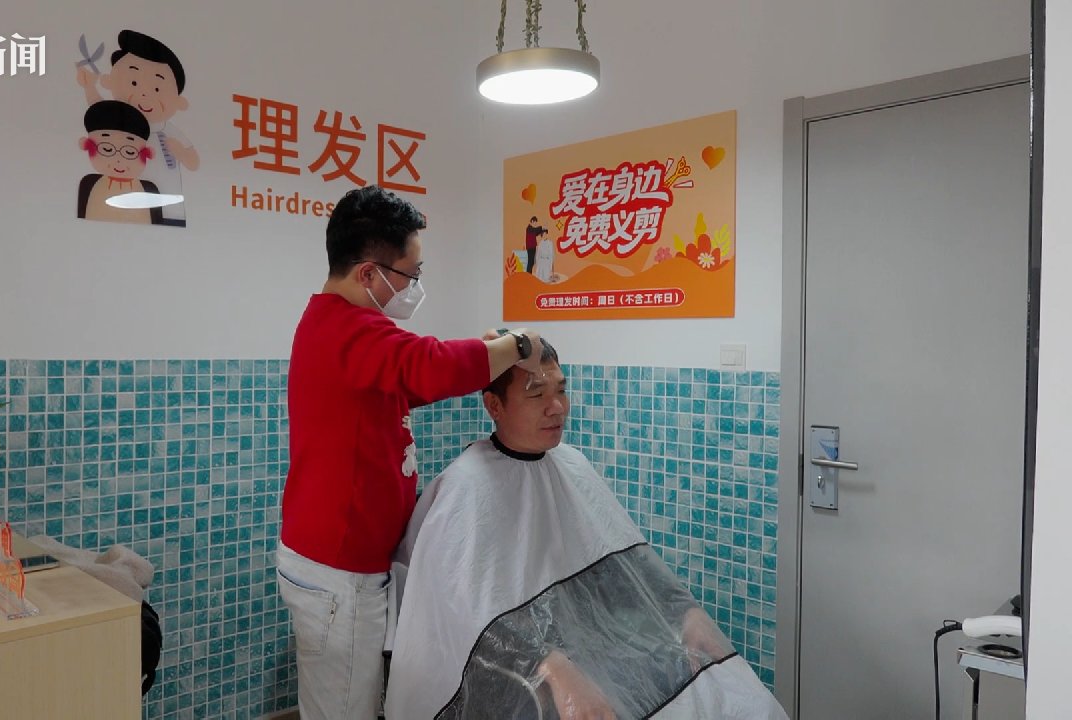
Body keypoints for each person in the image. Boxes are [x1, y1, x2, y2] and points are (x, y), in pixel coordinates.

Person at [385, 338, 789, 719]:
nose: (557, 407)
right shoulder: (465, 487)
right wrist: (548, 665)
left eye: (561, 390)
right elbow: (464, 614)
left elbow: (619, 566)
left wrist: (684, 612)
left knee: (745, 701)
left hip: (585, 651)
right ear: (494, 405)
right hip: (506, 677)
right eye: (536, 395)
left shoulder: (571, 464)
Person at [279, 185, 546, 720]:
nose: (414, 286)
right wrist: (517, 346)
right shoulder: (349, 329)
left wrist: (486, 358)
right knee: (343, 710)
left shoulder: (337, 326)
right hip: (339, 570)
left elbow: (406, 383)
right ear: (369, 273)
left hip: (335, 559)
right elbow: (428, 365)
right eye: (411, 273)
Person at [78, 30, 198, 227]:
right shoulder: (120, 123)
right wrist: (89, 87)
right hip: (125, 205)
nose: (144, 95)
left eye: (157, 89)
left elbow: (193, 163)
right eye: (134, 82)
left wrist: (181, 153)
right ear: (109, 81)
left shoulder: (169, 131)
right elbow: (100, 112)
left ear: (179, 101)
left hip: (170, 207)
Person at [77, 100, 163, 225]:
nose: (118, 160)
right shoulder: (91, 186)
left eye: (130, 152)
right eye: (107, 149)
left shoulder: (148, 190)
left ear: (146, 153)